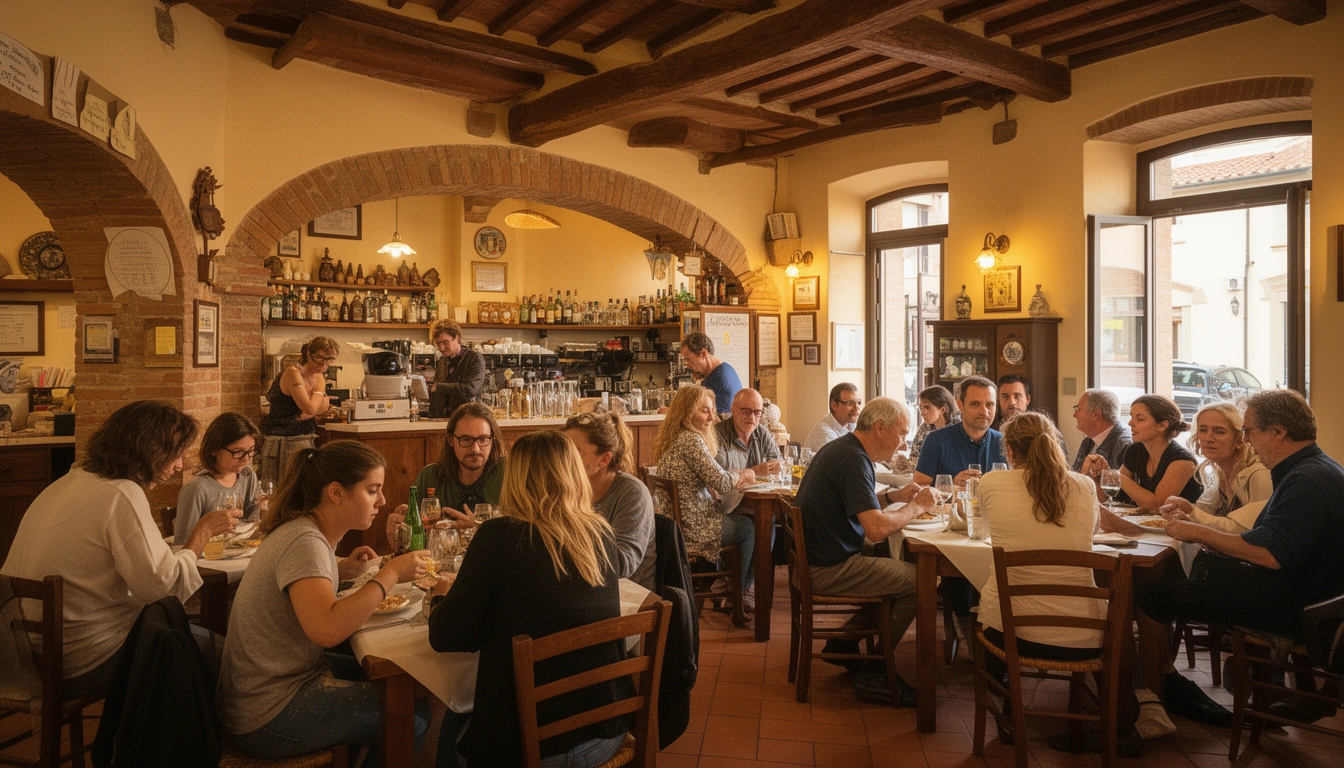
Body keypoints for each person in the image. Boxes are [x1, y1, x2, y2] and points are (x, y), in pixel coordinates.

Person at [2, 400, 240, 698]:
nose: (180, 465)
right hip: (78, 660)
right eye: (175, 454)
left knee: (189, 638)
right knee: (230, 659)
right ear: (149, 450)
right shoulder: (121, 493)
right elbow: (162, 588)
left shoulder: (68, 481)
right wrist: (201, 533)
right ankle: (181, 742)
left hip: (22, 655)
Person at [428, 431, 634, 768]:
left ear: (516, 477)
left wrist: (439, 598)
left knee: (449, 724)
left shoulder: (498, 537)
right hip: (605, 729)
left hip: (536, 747)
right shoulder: (599, 533)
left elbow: (448, 637)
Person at [218, 440, 430, 765]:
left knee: (409, 681)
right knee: (407, 715)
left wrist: (344, 569)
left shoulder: (305, 532)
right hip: (267, 712)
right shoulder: (305, 541)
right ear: (336, 492)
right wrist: (388, 575)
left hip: (270, 688)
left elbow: (306, 586)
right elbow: (328, 630)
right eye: (372, 490)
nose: (383, 500)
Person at [1140, 390, 1344, 726]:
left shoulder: (1305, 479)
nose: (1247, 440)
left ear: (1277, 432)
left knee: (1151, 597)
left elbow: (1270, 554)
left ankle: (1153, 699)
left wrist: (1200, 533)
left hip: (1309, 610)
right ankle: (1291, 693)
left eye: (1249, 431)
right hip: (1317, 595)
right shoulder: (1315, 467)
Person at [976, 413, 1140, 752]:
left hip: (1013, 633)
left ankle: (1008, 707)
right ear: (1054, 443)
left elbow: (988, 532)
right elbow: (1091, 534)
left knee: (977, 613)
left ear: (1009, 449)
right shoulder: (1083, 486)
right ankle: (1118, 722)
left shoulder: (991, 482)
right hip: (1085, 635)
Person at [794, 398, 937, 706]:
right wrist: (916, 506)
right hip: (828, 569)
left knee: (889, 564)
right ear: (880, 428)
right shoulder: (853, 460)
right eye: (901, 433)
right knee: (923, 581)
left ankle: (841, 642)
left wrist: (894, 496)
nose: (902, 444)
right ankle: (875, 671)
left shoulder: (845, 449)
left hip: (821, 558)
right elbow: (875, 529)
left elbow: (860, 506)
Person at [653, 385, 756, 600]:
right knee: (748, 527)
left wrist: (731, 476)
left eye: (712, 410)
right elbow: (722, 482)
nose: (712, 418)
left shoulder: (677, 438)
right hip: (693, 528)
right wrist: (746, 474)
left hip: (676, 524)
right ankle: (740, 592)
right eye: (704, 411)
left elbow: (712, 477)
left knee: (738, 519)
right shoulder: (691, 441)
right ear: (686, 412)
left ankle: (725, 583)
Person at [386, 403, 506, 545]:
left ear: (493, 440)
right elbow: (414, 542)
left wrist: (477, 529)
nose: (475, 448)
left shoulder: (508, 474)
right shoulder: (430, 476)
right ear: (450, 440)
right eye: (466, 440)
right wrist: (398, 537)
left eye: (483, 439)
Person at [562, 411, 656, 591]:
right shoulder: (568, 488)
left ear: (604, 459)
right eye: (564, 450)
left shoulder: (632, 493)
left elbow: (622, 564)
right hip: (582, 589)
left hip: (627, 598)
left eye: (575, 451)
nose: (565, 459)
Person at [713, 388, 782, 604]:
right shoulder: (718, 434)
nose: (752, 417)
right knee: (752, 525)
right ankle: (736, 586)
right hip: (724, 505)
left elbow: (777, 463)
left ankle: (741, 587)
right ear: (733, 409)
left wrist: (768, 470)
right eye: (746, 411)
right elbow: (720, 474)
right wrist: (757, 471)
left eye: (757, 412)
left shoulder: (762, 433)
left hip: (754, 503)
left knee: (768, 521)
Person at [1162, 402, 1272, 532]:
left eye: (1219, 432)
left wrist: (1191, 511)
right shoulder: (1220, 471)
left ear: (1239, 439)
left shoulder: (1259, 474)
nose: (1208, 438)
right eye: (1203, 430)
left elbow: (1249, 529)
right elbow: (1204, 511)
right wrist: (1184, 513)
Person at [1086, 394, 1200, 514]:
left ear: (1162, 425)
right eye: (1131, 417)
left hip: (1180, 528)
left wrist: (1115, 475)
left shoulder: (1182, 461)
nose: (1130, 423)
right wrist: (1100, 475)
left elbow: (1158, 506)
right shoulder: (1135, 450)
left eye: (1140, 419)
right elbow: (1113, 496)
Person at [174, 412, 264, 545]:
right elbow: (182, 543)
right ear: (214, 449)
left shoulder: (247, 476)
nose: (246, 458)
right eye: (238, 452)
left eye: (251, 450)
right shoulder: (197, 489)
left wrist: (264, 506)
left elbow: (251, 520)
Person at [261, 336, 335, 483]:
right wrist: (318, 404)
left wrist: (311, 412)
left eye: (329, 359)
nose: (324, 365)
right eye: (319, 358)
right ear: (308, 354)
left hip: (306, 437)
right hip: (282, 441)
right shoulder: (293, 373)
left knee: (303, 492)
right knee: (280, 492)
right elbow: (309, 407)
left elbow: (322, 406)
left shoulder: (319, 377)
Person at [913, 376, 1006, 487]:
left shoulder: (1004, 442)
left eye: (989, 405)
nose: (984, 412)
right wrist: (952, 485)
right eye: (975, 404)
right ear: (960, 405)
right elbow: (917, 488)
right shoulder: (936, 441)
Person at [891, 385, 958, 472]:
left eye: (927, 407)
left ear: (942, 409)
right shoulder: (924, 428)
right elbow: (914, 458)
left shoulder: (958, 427)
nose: (922, 413)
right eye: (921, 408)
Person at [428, 319, 486, 419]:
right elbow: (438, 395)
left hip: (468, 419)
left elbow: (471, 389)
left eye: (445, 342)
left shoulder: (475, 358)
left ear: (457, 338)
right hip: (443, 420)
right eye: (438, 343)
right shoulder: (442, 361)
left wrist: (439, 387)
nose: (441, 348)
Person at [678, 331, 742, 417]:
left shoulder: (718, 379)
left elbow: (716, 419)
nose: (686, 363)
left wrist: (675, 412)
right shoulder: (725, 369)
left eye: (688, 359)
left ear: (703, 353)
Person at [1070, 389, 1131, 473]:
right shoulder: (1087, 441)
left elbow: (1120, 484)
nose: (1074, 415)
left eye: (1078, 409)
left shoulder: (1125, 445)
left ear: (1096, 414)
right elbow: (1076, 477)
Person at [803, 382, 861, 452]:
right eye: (850, 403)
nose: (857, 407)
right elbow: (844, 459)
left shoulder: (854, 426)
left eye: (858, 402)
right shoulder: (823, 433)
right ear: (834, 405)